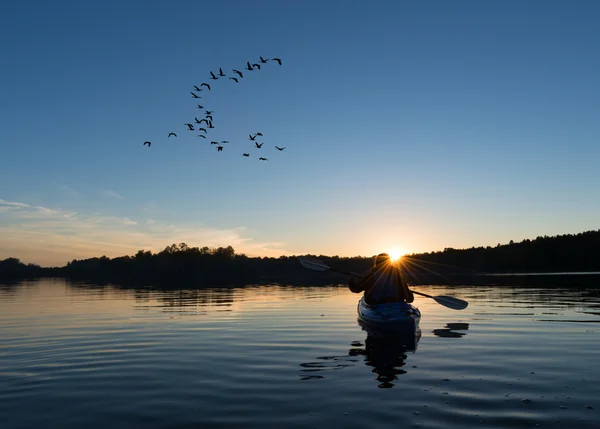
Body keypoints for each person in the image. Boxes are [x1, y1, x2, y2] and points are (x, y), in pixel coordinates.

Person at [348, 253, 414, 305]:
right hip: (396, 304)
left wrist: (351, 279)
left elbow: (356, 289)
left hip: (376, 305)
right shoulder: (398, 276)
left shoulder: (371, 277)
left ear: (376, 263)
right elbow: (410, 299)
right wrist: (409, 292)